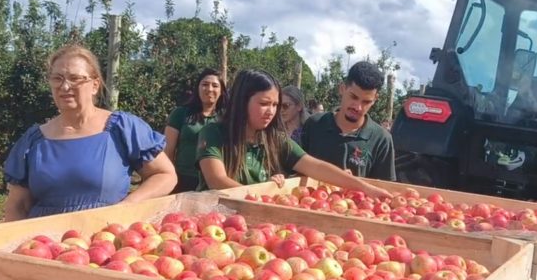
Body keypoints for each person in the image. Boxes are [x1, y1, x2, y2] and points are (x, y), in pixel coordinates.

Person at [3, 45, 177, 220]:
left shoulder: (121, 128)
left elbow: (164, 175)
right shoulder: (33, 141)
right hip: (45, 242)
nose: (64, 86)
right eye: (57, 78)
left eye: (74, 78)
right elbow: (18, 205)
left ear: (94, 85)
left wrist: (129, 205)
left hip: (105, 239)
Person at [196, 69, 392, 199]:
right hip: (214, 220)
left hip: (253, 223)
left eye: (275, 105)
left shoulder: (274, 139)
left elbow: (313, 166)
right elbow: (217, 180)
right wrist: (259, 198)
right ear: (242, 101)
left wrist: (365, 188)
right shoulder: (213, 133)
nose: (271, 111)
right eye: (264, 104)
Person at [300, 61, 396, 181]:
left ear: (375, 100)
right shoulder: (315, 125)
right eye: (353, 97)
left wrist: (352, 185)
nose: (358, 107)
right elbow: (296, 170)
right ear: (342, 89)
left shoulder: (381, 139)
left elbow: (383, 188)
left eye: (366, 102)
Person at [164, 68, 227, 193]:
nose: (209, 89)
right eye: (204, 84)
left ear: (221, 91)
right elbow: (168, 151)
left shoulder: (227, 118)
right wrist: (168, 181)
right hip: (183, 181)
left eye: (215, 86)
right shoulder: (180, 114)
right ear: (197, 88)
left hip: (214, 183)